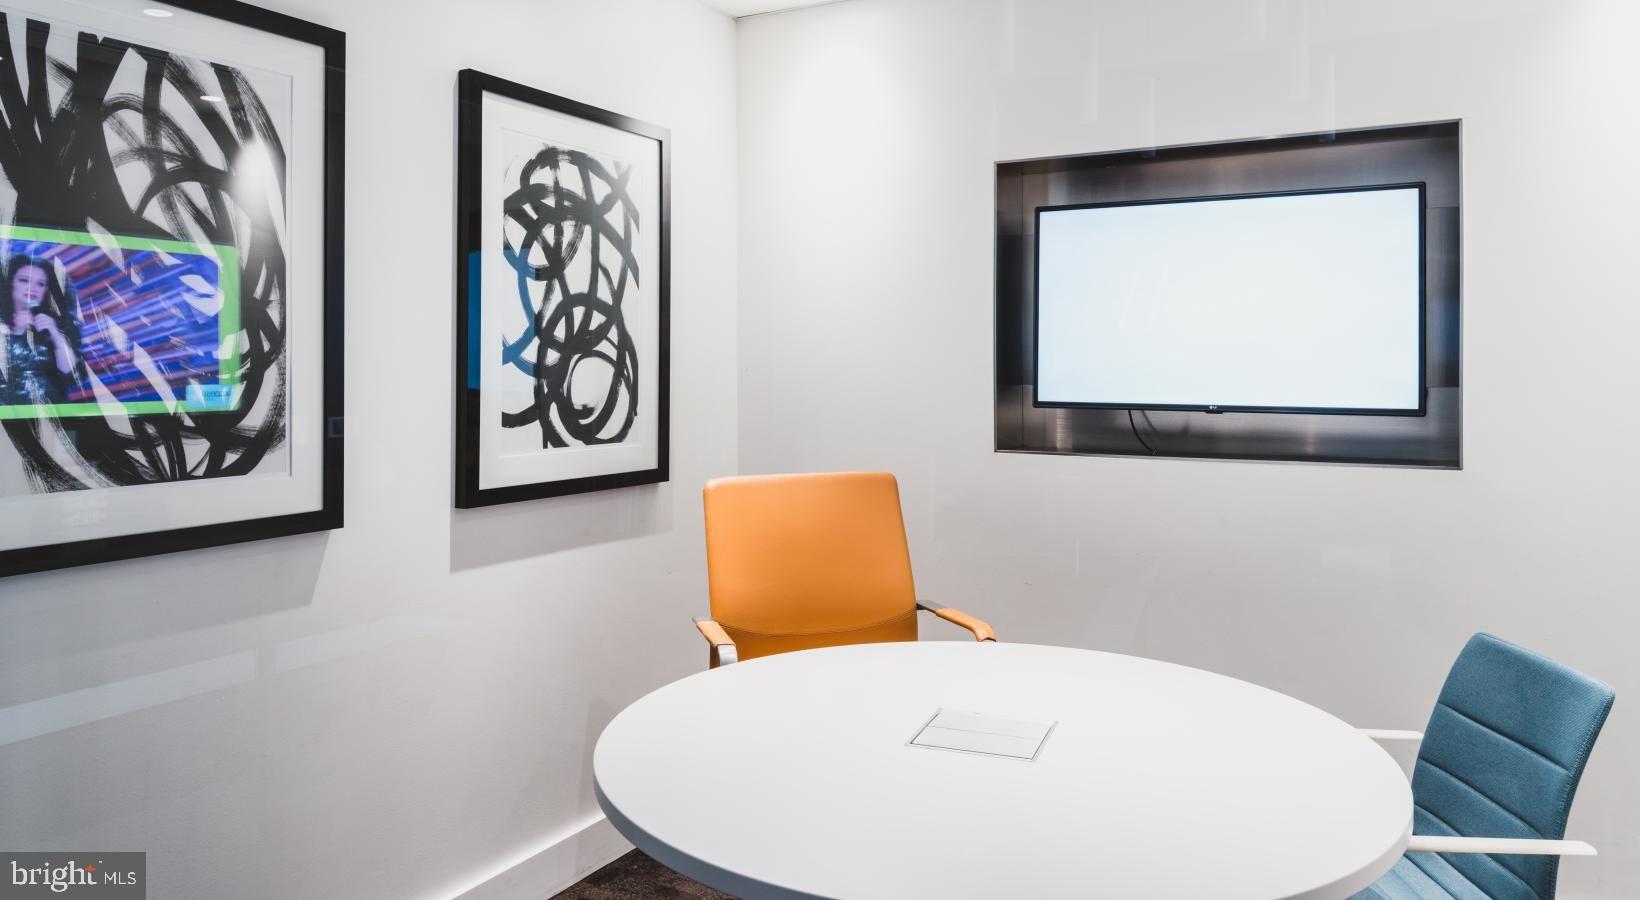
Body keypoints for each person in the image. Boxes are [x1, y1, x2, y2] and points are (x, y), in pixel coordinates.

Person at [0, 255, 83, 408]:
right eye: (24, 280)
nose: (33, 288)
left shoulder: (61, 324)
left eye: (41, 284)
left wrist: (57, 336)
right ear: (10, 283)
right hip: (7, 417)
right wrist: (16, 334)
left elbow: (72, 378)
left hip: (55, 417)